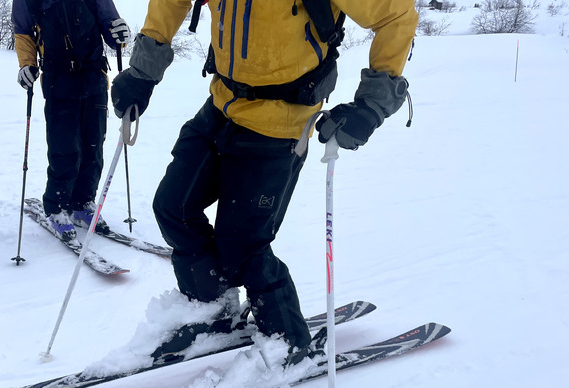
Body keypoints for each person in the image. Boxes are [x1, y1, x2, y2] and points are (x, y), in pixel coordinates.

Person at [111, 0, 418, 365]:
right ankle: (212, 310)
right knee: (173, 206)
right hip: (222, 103)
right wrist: (143, 72)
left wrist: (371, 105)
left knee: (243, 245)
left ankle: (289, 344)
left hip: (283, 121)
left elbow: (396, 15)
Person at [12, 0, 130, 242]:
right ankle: (57, 206)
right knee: (63, 147)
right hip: (58, 79)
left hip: (94, 76)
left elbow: (110, 23)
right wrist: (27, 64)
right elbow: (23, 31)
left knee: (94, 145)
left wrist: (119, 33)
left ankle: (82, 202)